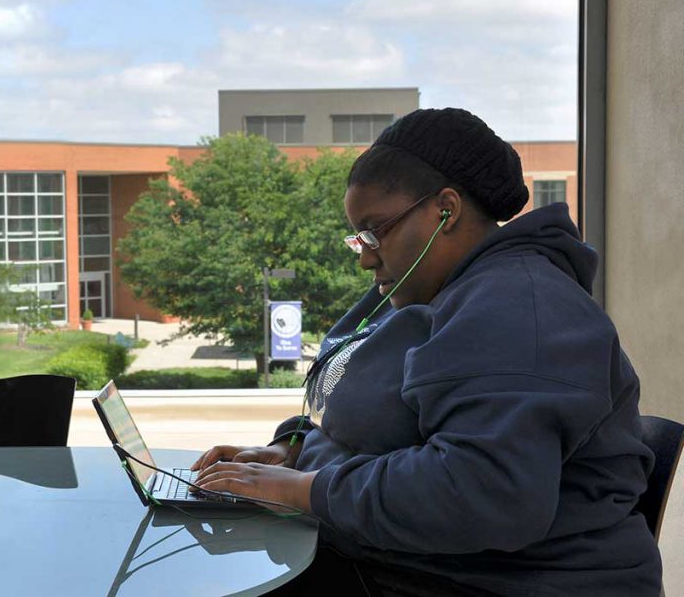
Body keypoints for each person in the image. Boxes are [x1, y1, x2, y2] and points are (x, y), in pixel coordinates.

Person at [191, 108, 662, 596]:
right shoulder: (429, 292)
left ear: (447, 209)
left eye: (377, 230)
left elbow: (480, 493)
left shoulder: (519, 306)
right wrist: (291, 452)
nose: (365, 257)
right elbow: (386, 425)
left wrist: (299, 491)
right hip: (404, 564)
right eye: (359, 236)